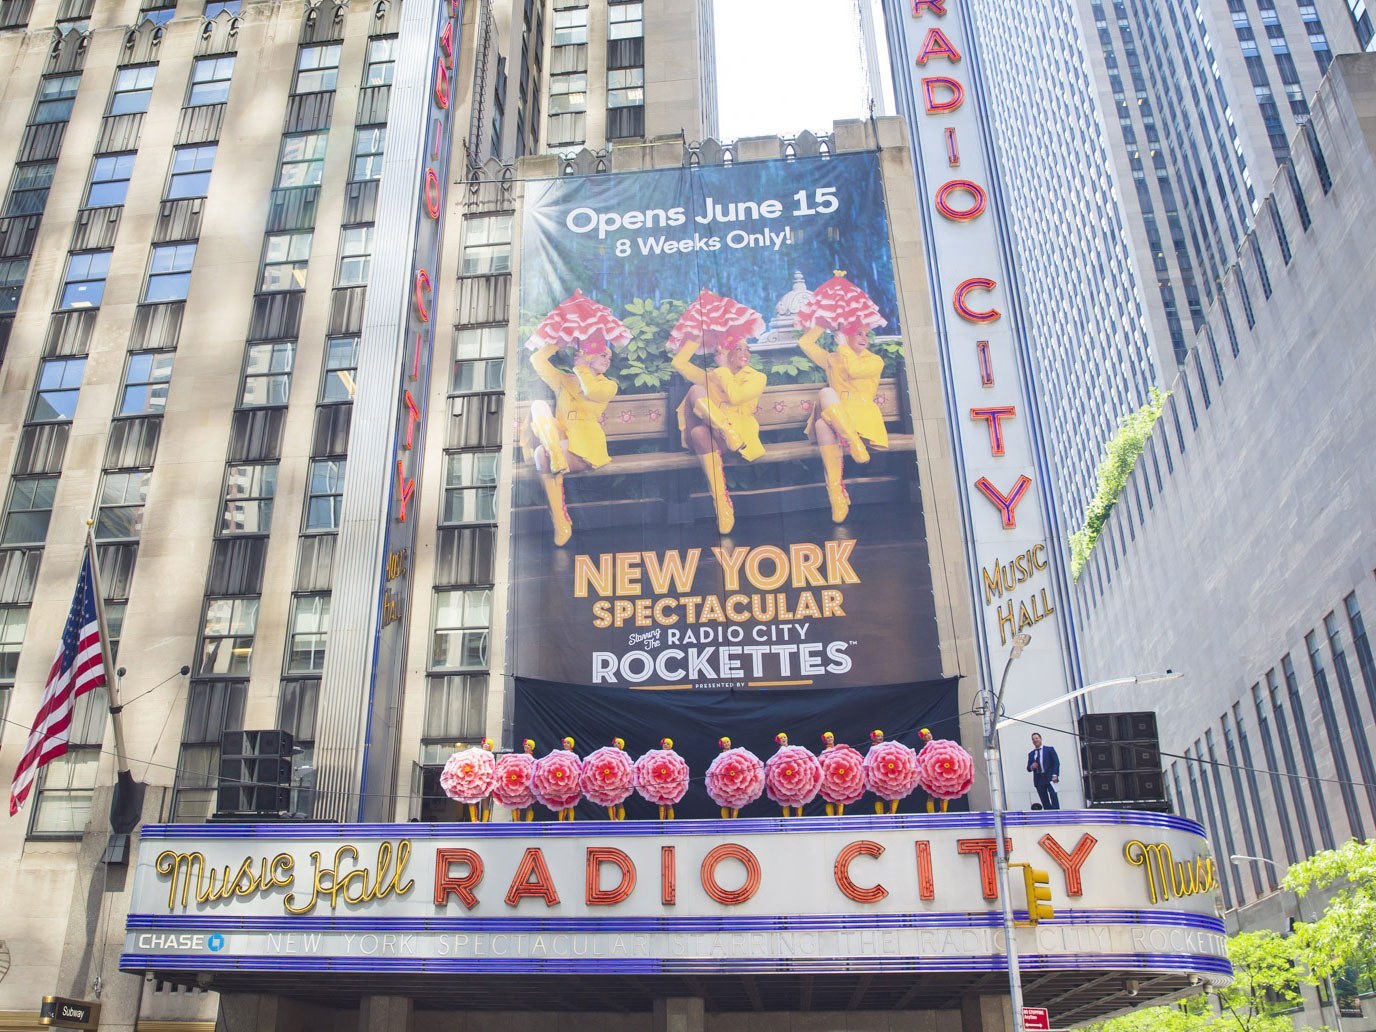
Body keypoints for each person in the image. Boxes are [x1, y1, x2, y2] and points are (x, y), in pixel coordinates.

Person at [671, 333, 766, 533]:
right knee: (696, 391)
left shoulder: (757, 378)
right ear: (727, 352)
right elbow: (679, 362)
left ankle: (722, 504)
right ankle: (722, 502)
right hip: (722, 436)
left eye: (747, 349)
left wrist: (723, 368)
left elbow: (736, 395)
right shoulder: (712, 376)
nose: (745, 353)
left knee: (699, 432)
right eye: (739, 348)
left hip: (741, 436)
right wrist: (698, 337)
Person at [1026, 732, 1060, 810]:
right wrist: (1032, 766)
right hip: (1039, 778)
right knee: (1044, 799)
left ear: (1040, 739)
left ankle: (1056, 814)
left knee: (1053, 796)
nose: (1035, 740)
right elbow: (1028, 768)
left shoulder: (1049, 749)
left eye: (1036, 738)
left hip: (1050, 777)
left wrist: (1055, 774)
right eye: (1033, 739)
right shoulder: (1031, 754)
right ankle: (1049, 815)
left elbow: (1056, 762)